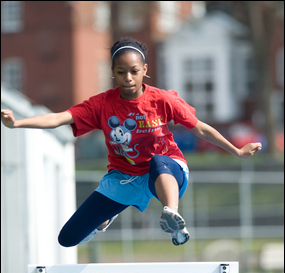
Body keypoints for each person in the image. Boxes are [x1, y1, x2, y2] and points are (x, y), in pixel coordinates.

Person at [1, 37, 262, 247]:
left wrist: (236, 151)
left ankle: (171, 212)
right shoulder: (101, 104)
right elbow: (59, 118)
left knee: (159, 161)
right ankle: (105, 220)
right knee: (67, 239)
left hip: (166, 172)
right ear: (112, 72)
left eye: (134, 71)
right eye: (121, 72)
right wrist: (17, 123)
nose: (128, 78)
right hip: (123, 176)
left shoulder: (162, 100)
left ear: (144, 70)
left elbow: (201, 129)